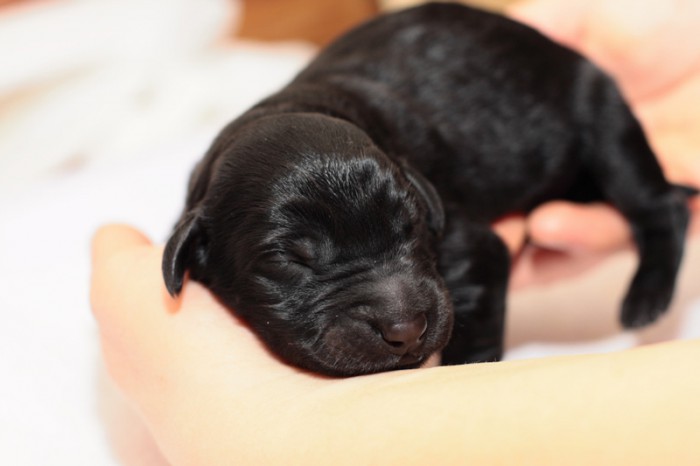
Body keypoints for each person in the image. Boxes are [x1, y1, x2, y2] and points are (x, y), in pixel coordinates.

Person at [90, 0, 700, 463]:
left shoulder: (390, 173)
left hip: (558, 98)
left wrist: (460, 390)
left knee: (605, 122)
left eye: (405, 230)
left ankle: (660, 221)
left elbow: (481, 254)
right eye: (299, 262)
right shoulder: (220, 213)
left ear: (420, 199)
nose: (403, 320)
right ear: (193, 253)